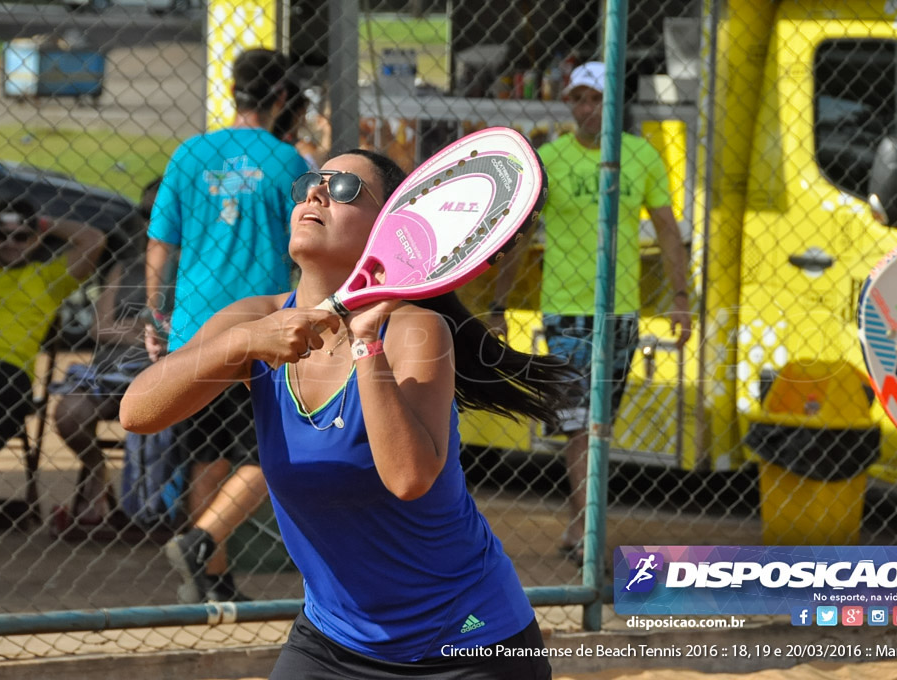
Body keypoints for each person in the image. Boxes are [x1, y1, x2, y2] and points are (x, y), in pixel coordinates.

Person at [120, 149, 578, 678]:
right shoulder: (256, 318)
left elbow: (409, 478)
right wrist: (241, 342)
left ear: (388, 230)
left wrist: (365, 346)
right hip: (333, 639)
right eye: (311, 183)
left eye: (343, 190)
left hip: (467, 640)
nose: (315, 193)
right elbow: (138, 411)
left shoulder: (415, 331)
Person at [489, 60, 692, 565]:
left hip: (620, 312)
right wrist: (499, 304)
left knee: (598, 424)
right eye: (577, 99)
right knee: (582, 425)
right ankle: (588, 534)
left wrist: (682, 298)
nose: (584, 108)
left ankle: (580, 522)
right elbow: (520, 236)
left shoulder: (641, 156)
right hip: (565, 312)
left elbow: (667, 229)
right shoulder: (550, 160)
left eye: (593, 99)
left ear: (612, 104)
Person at [146, 48, 310, 602]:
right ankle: (203, 540)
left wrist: (155, 313)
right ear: (282, 97)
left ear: (233, 91)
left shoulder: (191, 153)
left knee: (207, 453)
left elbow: (161, 243)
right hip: (261, 325)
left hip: (195, 323)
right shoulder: (288, 161)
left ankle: (211, 578)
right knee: (272, 451)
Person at [0, 200, 106, 529]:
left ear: (35, 240)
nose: (10, 244)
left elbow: (93, 239)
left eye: (21, 236)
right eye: (2, 236)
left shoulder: (48, 277)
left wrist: (43, 222)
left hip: (6, 370)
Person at [49, 178, 162, 536]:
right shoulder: (126, 265)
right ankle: (97, 470)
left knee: (166, 417)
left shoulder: (197, 267)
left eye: (160, 213)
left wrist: (130, 327)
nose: (150, 222)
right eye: (145, 213)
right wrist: (151, 331)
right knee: (69, 413)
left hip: (163, 377)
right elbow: (100, 327)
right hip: (112, 372)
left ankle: (154, 507)